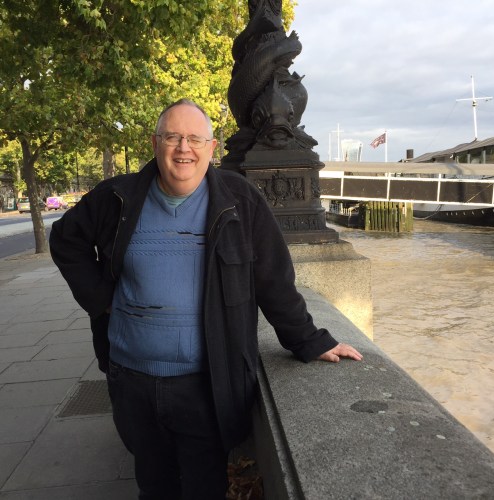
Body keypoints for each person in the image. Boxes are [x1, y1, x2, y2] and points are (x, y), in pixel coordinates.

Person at [49, 98, 362, 500]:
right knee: (154, 488)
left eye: (195, 139)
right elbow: (66, 240)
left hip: (206, 386)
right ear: (155, 143)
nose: (184, 148)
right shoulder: (117, 197)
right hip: (132, 382)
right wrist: (100, 298)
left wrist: (309, 340)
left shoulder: (240, 200)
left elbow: (273, 280)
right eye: (172, 137)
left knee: (205, 489)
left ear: (211, 148)